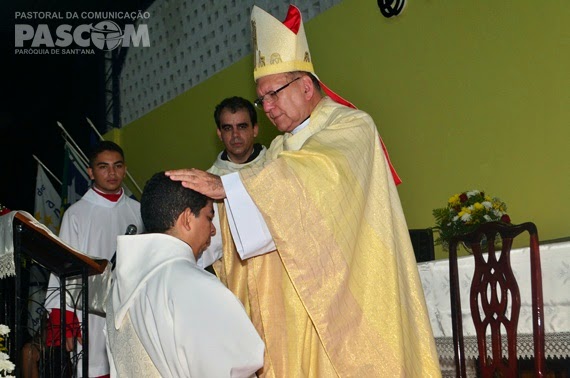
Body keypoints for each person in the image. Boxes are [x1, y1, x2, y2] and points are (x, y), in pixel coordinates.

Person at [167, 4, 440, 377]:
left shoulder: (352, 126)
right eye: (262, 100)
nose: (268, 107)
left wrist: (229, 185)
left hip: (350, 303)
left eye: (273, 94)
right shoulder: (278, 149)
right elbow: (253, 215)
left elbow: (320, 175)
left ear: (306, 85)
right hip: (293, 316)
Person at [104, 172, 264, 377]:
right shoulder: (195, 286)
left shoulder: (118, 285)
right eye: (209, 217)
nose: (213, 230)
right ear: (187, 219)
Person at [43, 140, 144, 377]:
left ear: (125, 168)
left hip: (132, 307)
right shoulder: (76, 214)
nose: (112, 173)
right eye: (103, 167)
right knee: (95, 366)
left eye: (118, 166)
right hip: (89, 313)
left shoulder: (138, 211)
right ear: (90, 171)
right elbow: (63, 268)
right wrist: (65, 318)